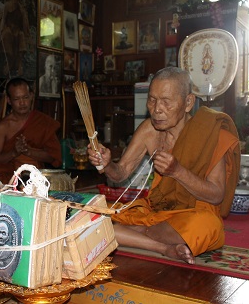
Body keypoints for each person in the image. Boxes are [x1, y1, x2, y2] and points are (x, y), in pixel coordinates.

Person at [88, 67, 240, 264]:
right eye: (152, 100)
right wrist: (107, 164)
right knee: (95, 216)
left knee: (207, 226)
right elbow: (120, 173)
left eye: (166, 102)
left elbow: (216, 194)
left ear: (188, 103)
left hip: (192, 214)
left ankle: (134, 234)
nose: (157, 109)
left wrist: (177, 172)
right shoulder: (149, 130)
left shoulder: (210, 133)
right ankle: (162, 247)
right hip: (157, 212)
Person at [0, 77, 62, 195]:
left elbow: (52, 157)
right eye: (17, 99)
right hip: (10, 172)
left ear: (31, 96)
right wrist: (14, 152)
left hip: (36, 174)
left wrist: (28, 151)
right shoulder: (3, 126)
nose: (22, 103)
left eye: (25, 97)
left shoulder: (43, 122)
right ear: (9, 100)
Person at [0, 0, 29, 76]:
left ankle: (19, 64)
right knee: (7, 35)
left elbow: (25, 25)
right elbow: (1, 19)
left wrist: (24, 14)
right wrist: (1, 29)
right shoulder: (6, 6)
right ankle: (8, 61)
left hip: (17, 29)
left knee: (21, 36)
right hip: (8, 28)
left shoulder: (21, 8)